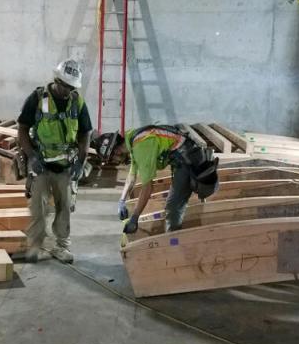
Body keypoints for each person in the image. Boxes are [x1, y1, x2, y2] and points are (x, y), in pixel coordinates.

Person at [17, 59, 92, 263]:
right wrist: (32, 156)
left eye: (72, 87)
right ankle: (36, 245)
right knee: (38, 207)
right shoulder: (37, 98)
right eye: (66, 86)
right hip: (41, 165)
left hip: (66, 167)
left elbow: (86, 132)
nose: (68, 91)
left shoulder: (77, 102)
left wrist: (80, 161)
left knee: (64, 207)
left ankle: (61, 247)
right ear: (56, 80)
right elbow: (22, 128)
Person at [97, 125, 219, 237]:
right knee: (181, 195)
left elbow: (148, 188)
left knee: (173, 206)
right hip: (184, 155)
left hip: (188, 159)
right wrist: (122, 200)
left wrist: (135, 217)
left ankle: (173, 242)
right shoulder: (132, 138)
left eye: (112, 159)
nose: (116, 161)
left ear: (116, 151)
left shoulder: (141, 147)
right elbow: (132, 175)